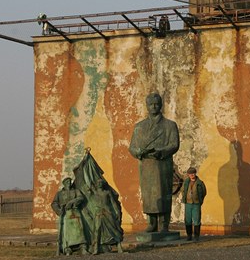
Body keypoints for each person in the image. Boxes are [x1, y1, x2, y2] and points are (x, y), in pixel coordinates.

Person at [129, 92, 180, 233]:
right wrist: (139, 151)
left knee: (163, 193)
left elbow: (174, 144)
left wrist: (161, 151)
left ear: (161, 105)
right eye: (151, 104)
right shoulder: (140, 127)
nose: (154, 107)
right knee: (148, 195)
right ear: (147, 106)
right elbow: (132, 147)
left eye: (156, 104)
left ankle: (164, 224)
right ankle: (151, 222)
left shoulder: (169, 125)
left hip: (162, 164)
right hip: (146, 165)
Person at [51, 177, 88, 255]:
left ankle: (83, 247)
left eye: (70, 181)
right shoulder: (59, 193)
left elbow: (81, 198)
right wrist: (59, 210)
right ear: (64, 183)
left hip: (76, 213)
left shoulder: (76, 191)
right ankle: (68, 249)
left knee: (79, 231)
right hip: (65, 214)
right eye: (67, 181)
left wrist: (72, 201)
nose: (69, 183)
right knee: (67, 233)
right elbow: (54, 203)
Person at [87, 178, 124, 254]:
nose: (100, 183)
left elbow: (113, 203)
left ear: (103, 184)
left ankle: (119, 246)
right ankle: (96, 248)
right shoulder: (94, 192)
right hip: (98, 213)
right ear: (96, 184)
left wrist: (117, 212)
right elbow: (88, 180)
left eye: (101, 182)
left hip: (107, 212)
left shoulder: (107, 192)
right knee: (97, 229)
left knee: (113, 228)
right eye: (98, 182)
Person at [181, 167, 207, 241]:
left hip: (196, 203)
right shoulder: (186, 182)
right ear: (188, 175)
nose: (192, 175)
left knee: (197, 220)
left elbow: (204, 192)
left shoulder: (200, 183)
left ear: (195, 173)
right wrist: (185, 198)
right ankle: (189, 236)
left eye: (193, 173)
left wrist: (200, 200)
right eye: (190, 174)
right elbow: (183, 190)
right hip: (188, 203)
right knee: (188, 220)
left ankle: (196, 236)